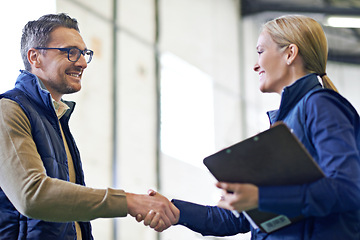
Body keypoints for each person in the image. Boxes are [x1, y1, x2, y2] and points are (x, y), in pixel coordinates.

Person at [141, 15, 360, 239]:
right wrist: (176, 211)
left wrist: (261, 197)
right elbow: (238, 220)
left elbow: (347, 190)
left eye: (260, 51)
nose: (256, 65)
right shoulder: (283, 126)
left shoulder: (321, 105)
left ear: (290, 53)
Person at [0, 13, 179, 240]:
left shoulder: (57, 119)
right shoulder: (8, 110)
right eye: (70, 52)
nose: (83, 62)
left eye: (84, 54)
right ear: (35, 57)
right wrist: (129, 201)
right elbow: (32, 195)